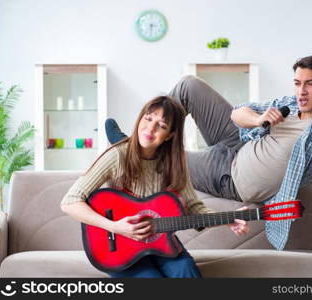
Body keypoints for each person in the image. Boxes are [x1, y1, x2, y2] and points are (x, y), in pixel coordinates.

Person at [106, 54, 312, 255]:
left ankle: (133, 150)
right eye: (297, 83)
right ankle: (136, 145)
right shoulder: (291, 104)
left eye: (310, 84)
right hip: (237, 141)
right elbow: (238, 113)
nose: (301, 91)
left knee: (167, 160)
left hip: (231, 175)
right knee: (188, 85)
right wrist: (259, 120)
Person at [60, 95, 249, 278]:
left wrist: (226, 219)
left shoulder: (175, 163)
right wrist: (115, 227)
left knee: (187, 273)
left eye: (162, 125)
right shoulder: (116, 156)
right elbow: (69, 202)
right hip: (119, 246)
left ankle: (123, 137)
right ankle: (121, 138)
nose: (150, 128)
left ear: (170, 135)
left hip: (159, 241)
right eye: (148, 118)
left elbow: (194, 208)